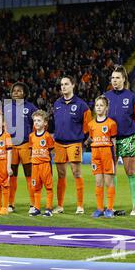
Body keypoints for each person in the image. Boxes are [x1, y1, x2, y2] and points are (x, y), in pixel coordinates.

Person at [104, 65, 135, 216]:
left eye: (117, 78)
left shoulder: (133, 97)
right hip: (110, 141)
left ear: (123, 79)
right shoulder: (105, 96)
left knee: (131, 172)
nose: (114, 81)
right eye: (113, 78)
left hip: (127, 138)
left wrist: (131, 131)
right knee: (111, 173)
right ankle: (110, 207)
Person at [53, 76, 92, 215]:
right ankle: (59, 205)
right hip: (58, 143)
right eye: (62, 84)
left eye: (66, 84)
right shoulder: (57, 103)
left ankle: (80, 206)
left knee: (76, 172)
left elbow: (88, 126)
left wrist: (84, 142)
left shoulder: (82, 105)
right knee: (61, 174)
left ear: (73, 85)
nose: (63, 87)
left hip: (74, 142)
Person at [4, 81, 38, 213]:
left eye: (19, 91)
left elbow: (37, 125)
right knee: (12, 175)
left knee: (29, 175)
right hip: (11, 147)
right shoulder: (6, 107)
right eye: (14, 91)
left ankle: (33, 204)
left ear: (25, 93)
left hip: (26, 146)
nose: (16, 93)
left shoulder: (31, 108)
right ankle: (10, 204)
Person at [87, 96, 118, 219]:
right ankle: (100, 208)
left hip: (107, 154)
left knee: (108, 182)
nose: (99, 107)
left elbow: (114, 141)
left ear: (106, 108)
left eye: (101, 105)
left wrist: (114, 158)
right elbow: (91, 138)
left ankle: (109, 209)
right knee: (98, 182)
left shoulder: (111, 123)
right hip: (95, 154)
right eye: (97, 105)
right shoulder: (91, 124)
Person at [28, 110, 55, 217]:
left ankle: (49, 209)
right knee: (36, 187)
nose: (36, 123)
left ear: (45, 123)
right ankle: (37, 208)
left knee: (48, 187)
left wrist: (46, 160)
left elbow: (52, 150)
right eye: (35, 121)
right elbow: (31, 149)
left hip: (45, 165)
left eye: (39, 120)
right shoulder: (31, 136)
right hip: (35, 165)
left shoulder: (47, 136)